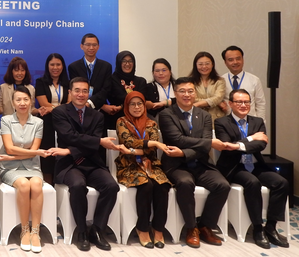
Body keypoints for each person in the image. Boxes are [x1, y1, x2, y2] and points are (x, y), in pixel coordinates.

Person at [158, 77, 235, 248]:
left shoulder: (205, 115)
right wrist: (205, 144)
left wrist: (185, 152)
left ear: (195, 93)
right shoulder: (166, 115)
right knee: (185, 183)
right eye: (182, 91)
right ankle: (191, 228)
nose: (187, 94)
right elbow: (177, 139)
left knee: (222, 185)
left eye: (190, 91)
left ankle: (206, 226)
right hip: (176, 164)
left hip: (201, 163)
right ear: (175, 93)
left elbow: (204, 143)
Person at [48, 77, 120, 252]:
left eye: (84, 91)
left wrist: (71, 150)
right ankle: (81, 231)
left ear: (89, 94)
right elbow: (69, 137)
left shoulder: (97, 115)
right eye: (77, 90)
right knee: (78, 185)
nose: (81, 94)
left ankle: (97, 230)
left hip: (92, 162)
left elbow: (91, 143)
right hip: (69, 165)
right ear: (70, 92)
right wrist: (95, 142)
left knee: (111, 186)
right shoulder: (59, 112)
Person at [215, 89, 289, 248]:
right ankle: (257, 228)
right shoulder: (221, 122)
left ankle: (271, 227)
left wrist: (239, 144)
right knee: (252, 183)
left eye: (246, 102)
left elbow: (261, 144)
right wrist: (251, 138)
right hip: (233, 167)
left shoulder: (258, 121)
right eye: (239, 102)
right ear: (230, 104)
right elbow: (226, 146)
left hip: (255, 165)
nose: (243, 105)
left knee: (281, 182)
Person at [114, 91, 171, 249]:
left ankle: (158, 228)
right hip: (129, 166)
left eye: (140, 103)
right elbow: (128, 141)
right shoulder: (121, 121)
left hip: (151, 164)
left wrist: (136, 149)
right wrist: (150, 145)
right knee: (146, 186)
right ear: (127, 106)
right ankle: (143, 228)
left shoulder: (152, 123)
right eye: (133, 104)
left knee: (163, 186)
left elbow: (149, 149)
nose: (137, 107)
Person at [0, 86, 47, 252]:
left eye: (26, 99)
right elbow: (10, 148)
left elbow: (33, 152)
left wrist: (15, 155)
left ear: (31, 101)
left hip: (32, 167)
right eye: (18, 100)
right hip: (9, 168)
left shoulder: (39, 122)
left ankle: (35, 231)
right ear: (13, 102)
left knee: (36, 184)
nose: (22, 103)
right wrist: (13, 156)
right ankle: (24, 230)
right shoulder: (6, 120)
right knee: (24, 185)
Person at [35, 53, 70, 184]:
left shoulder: (68, 83)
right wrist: (61, 107)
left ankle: (61, 183)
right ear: (47, 66)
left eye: (58, 64)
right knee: (47, 157)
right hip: (46, 124)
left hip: (65, 123)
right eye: (52, 64)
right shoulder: (40, 82)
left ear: (62, 66)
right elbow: (44, 103)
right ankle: (48, 186)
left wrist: (53, 108)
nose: (55, 67)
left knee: (62, 154)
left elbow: (70, 105)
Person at [68, 33, 113, 113]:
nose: (91, 48)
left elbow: (106, 90)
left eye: (94, 45)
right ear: (82, 46)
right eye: (88, 45)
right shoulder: (73, 67)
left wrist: (90, 103)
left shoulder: (106, 66)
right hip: (79, 109)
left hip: (100, 110)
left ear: (98, 47)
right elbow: (75, 90)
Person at [220, 46, 266, 120]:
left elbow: (260, 104)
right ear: (225, 62)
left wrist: (261, 124)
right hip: (228, 123)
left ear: (243, 59)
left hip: (250, 122)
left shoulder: (254, 80)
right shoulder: (220, 81)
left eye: (238, 58)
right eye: (231, 60)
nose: (235, 62)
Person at [104, 51, 147, 129]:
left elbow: (141, 100)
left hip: (138, 120)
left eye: (130, 61)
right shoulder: (112, 80)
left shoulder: (141, 81)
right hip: (115, 119)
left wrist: (121, 106)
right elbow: (119, 96)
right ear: (118, 63)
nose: (127, 64)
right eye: (124, 61)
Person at [188, 51, 227, 123]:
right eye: (200, 64)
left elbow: (218, 97)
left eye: (207, 64)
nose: (204, 67)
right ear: (195, 65)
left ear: (212, 64)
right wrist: (215, 102)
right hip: (197, 117)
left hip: (216, 118)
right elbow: (192, 98)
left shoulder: (220, 80)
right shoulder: (190, 81)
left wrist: (198, 104)